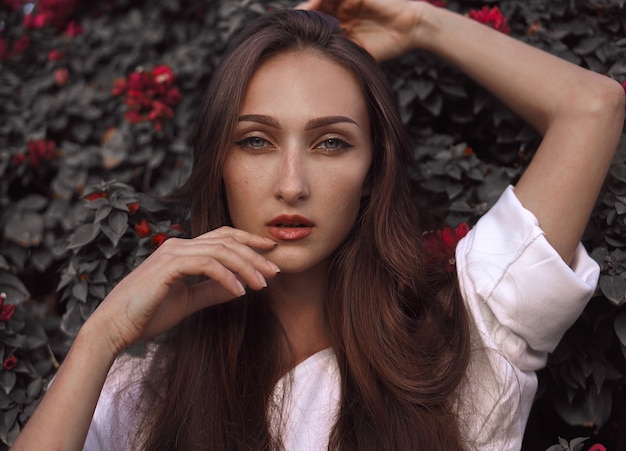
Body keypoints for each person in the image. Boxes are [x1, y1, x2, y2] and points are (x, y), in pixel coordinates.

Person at [12, 1, 624, 450]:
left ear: (372, 170)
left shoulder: (471, 336)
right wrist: (103, 335)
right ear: (219, 164)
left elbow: (592, 107)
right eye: (255, 141)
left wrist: (420, 24)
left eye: (331, 142)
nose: (292, 183)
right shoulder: (141, 397)